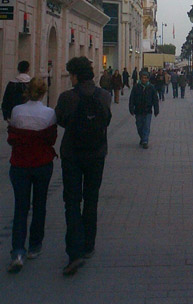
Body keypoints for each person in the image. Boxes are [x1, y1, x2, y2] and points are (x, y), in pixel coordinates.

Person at [55, 56, 112, 276]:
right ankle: (89, 245)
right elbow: (106, 120)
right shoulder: (104, 96)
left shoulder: (67, 97)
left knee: (71, 202)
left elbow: (60, 120)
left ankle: (74, 251)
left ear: (75, 76)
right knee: (91, 198)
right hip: (97, 154)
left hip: (72, 155)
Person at [6, 77, 57, 273]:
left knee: (20, 207)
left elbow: (13, 137)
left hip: (19, 164)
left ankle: (18, 250)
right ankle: (35, 245)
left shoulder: (17, 111)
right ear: (44, 92)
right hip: (42, 164)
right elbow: (51, 140)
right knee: (39, 205)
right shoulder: (49, 114)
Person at [129, 71, 159, 149]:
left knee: (146, 125)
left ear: (148, 79)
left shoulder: (151, 87)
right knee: (139, 126)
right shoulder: (136, 87)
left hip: (148, 110)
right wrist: (131, 107)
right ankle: (142, 137)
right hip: (138, 110)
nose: (144, 79)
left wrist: (156, 109)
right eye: (143, 78)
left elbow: (155, 99)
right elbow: (132, 98)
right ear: (140, 78)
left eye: (146, 78)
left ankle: (145, 140)